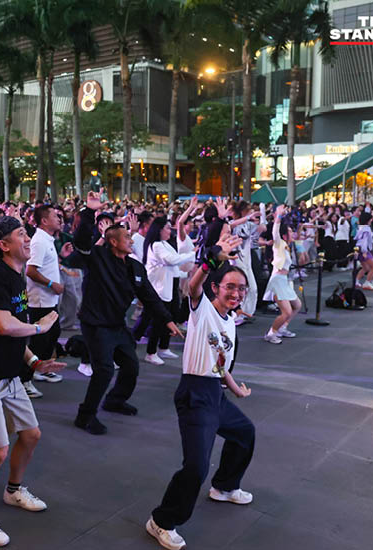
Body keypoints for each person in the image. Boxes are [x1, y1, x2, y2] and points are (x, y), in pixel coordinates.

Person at [0, 216, 65, 547]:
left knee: (31, 435)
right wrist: (40, 328)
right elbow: (3, 325)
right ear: (4, 245)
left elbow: (11, 331)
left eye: (27, 233)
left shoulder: (16, 277)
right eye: (21, 234)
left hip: (8, 374)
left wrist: (33, 361)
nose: (28, 239)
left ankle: (13, 491)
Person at [146, 234, 254, 550]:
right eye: (230, 287)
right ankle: (161, 521)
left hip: (215, 393)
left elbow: (220, 364)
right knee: (196, 466)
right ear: (216, 288)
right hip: (195, 394)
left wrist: (235, 389)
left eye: (241, 289)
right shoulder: (202, 308)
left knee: (244, 433)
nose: (236, 293)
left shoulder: (230, 322)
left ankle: (224, 487)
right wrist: (211, 260)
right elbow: (193, 287)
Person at [72, 192, 181, 435]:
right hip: (96, 324)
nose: (131, 240)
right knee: (104, 370)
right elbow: (81, 241)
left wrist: (167, 320)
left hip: (117, 325)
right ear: (112, 242)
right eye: (126, 237)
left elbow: (149, 296)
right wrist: (89, 211)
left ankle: (115, 400)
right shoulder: (98, 258)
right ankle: (85, 416)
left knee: (131, 365)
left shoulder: (134, 266)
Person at [23, 204, 72, 397]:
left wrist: (60, 256)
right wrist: (52, 284)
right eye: (54, 216)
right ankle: (25, 379)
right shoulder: (39, 241)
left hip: (49, 299)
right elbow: (31, 270)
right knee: (39, 341)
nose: (59, 219)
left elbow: (44, 264)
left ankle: (41, 369)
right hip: (40, 300)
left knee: (52, 335)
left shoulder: (47, 239)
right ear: (44, 221)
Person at [141, 216, 195, 364]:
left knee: (171, 317)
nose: (169, 231)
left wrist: (186, 273)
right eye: (166, 228)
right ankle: (151, 352)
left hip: (170, 286)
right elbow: (172, 260)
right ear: (159, 230)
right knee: (158, 321)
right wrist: (192, 254)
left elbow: (174, 264)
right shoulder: (156, 245)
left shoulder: (164, 244)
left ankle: (163, 347)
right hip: (159, 289)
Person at [263, 206, 301, 344]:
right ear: (284, 235)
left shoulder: (287, 247)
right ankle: (271, 333)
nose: (293, 233)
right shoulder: (279, 244)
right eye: (290, 231)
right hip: (277, 280)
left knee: (297, 305)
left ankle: (282, 328)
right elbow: (275, 232)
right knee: (287, 312)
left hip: (284, 280)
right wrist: (278, 216)